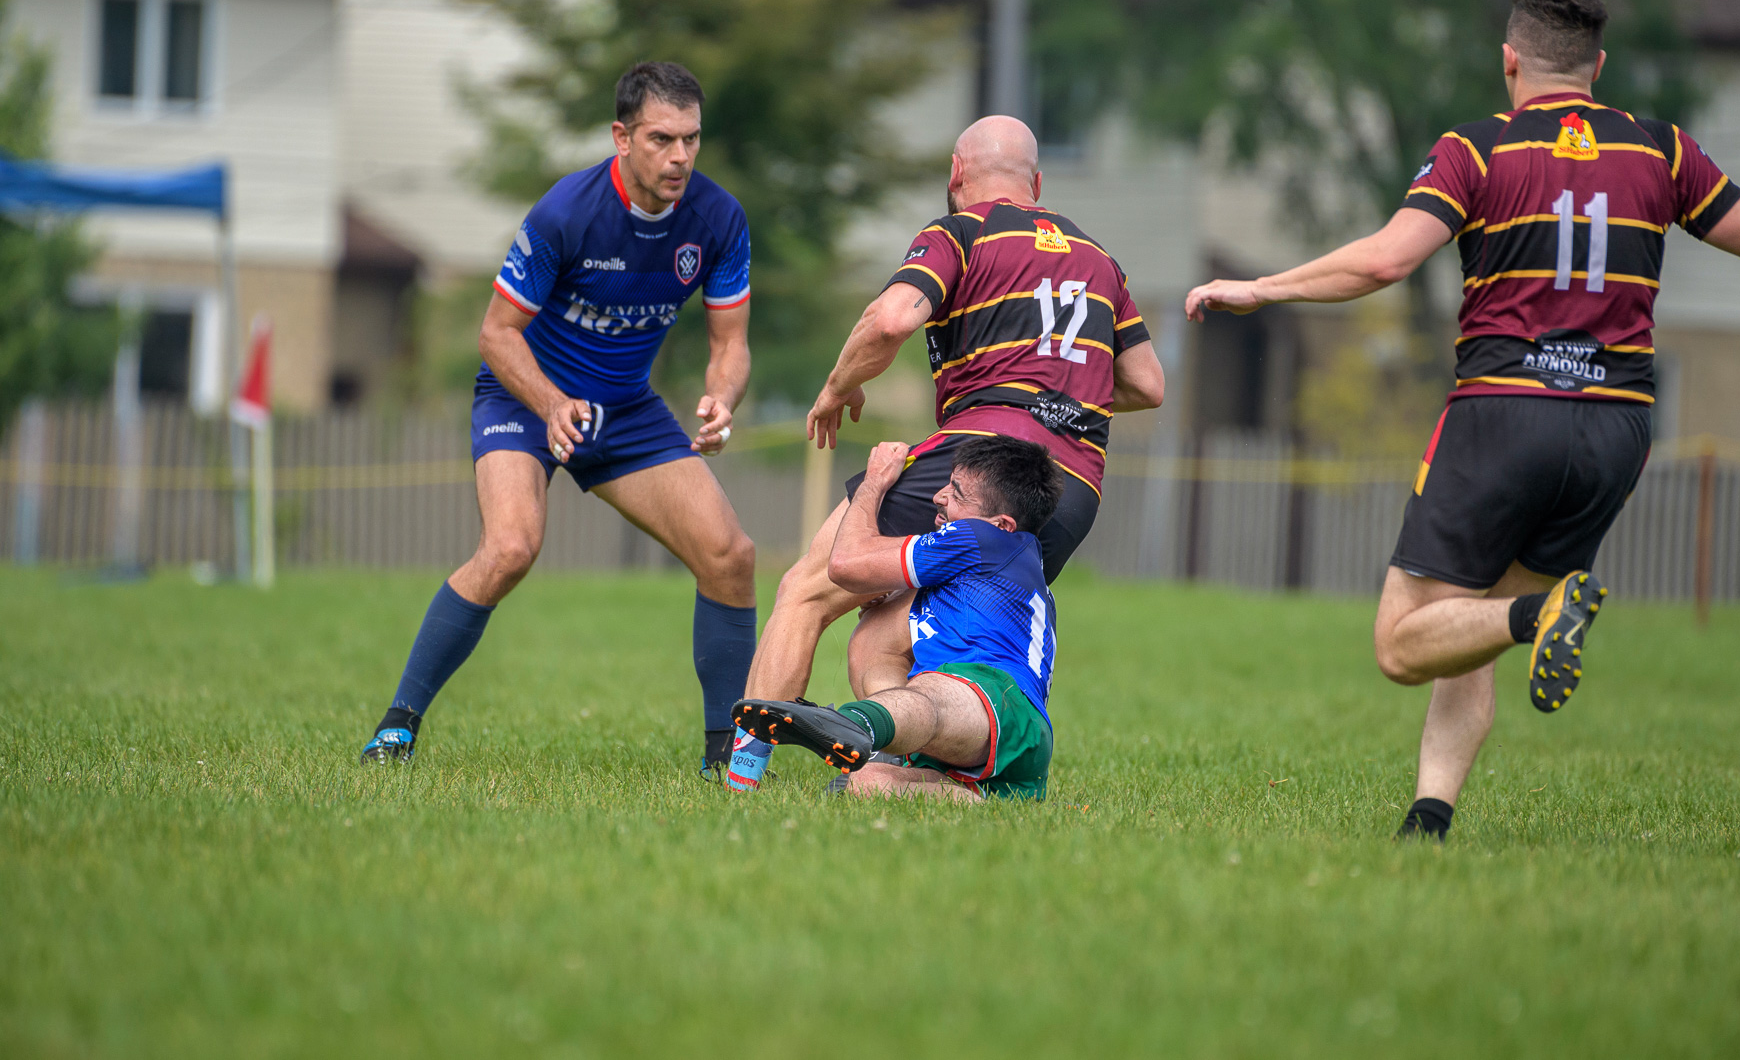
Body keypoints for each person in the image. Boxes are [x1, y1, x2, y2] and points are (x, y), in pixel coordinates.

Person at [1184, 0, 1740, 840]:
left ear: (1510, 62)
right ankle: (1430, 819)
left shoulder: (1476, 150)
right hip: (1618, 429)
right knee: (1462, 624)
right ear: (1599, 65)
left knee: (1406, 642)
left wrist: (1263, 287)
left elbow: (1384, 263)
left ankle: (1537, 616)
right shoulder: (1660, 151)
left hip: (1504, 414)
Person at [723, 115, 1166, 792]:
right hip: (1072, 488)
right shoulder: (1099, 259)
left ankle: (742, 776)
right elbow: (1145, 384)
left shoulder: (961, 231)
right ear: (1037, 184)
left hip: (983, 455)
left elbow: (893, 318)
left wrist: (838, 386)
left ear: (957, 176)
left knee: (808, 591)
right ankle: (910, 774)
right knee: (895, 631)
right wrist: (1058, 398)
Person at [359, 62, 760, 780]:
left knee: (730, 555)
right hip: (524, 397)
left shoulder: (719, 220)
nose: (679, 158)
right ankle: (399, 724)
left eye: (692, 140)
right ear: (620, 137)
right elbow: (495, 334)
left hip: (626, 409)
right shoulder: (565, 213)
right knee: (511, 546)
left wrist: (722, 400)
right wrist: (550, 404)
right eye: (662, 139)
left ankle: (723, 752)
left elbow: (730, 345)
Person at [734, 436, 1062, 801]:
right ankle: (990, 801)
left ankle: (856, 723)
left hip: (997, 700)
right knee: (866, 784)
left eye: (957, 493)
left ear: (1001, 524)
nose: (938, 497)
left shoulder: (981, 538)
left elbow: (845, 564)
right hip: (1004, 734)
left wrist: (874, 481)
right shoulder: (1007, 567)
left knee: (931, 696)